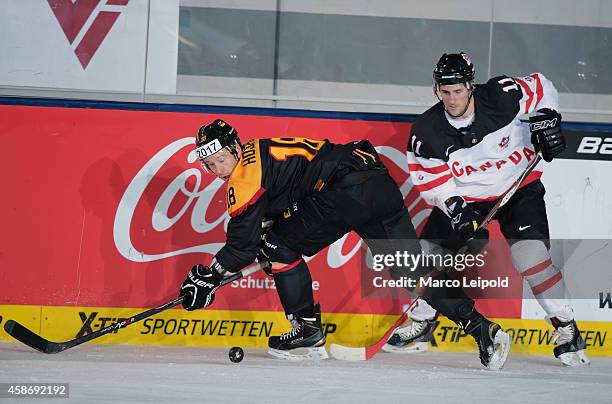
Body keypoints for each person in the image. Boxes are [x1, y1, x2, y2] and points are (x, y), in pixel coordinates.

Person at [178, 118, 510, 369]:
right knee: (411, 274)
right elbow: (285, 192)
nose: (216, 169)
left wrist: (210, 275)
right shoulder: (257, 151)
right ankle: (484, 331)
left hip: (342, 190)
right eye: (208, 164)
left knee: (276, 247)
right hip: (374, 178)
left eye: (220, 159)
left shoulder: (243, 179)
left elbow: (242, 247)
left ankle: (306, 331)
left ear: (235, 149)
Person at [386, 52, 589, 367]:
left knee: (530, 258)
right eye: (445, 91)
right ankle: (424, 321)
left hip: (518, 187)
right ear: (435, 89)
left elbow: (541, 86)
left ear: (471, 85)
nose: (452, 99)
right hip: (468, 198)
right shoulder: (427, 130)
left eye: (458, 90)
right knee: (426, 257)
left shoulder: (501, 95)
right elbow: (436, 183)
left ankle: (566, 328)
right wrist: (457, 210)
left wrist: (548, 118)